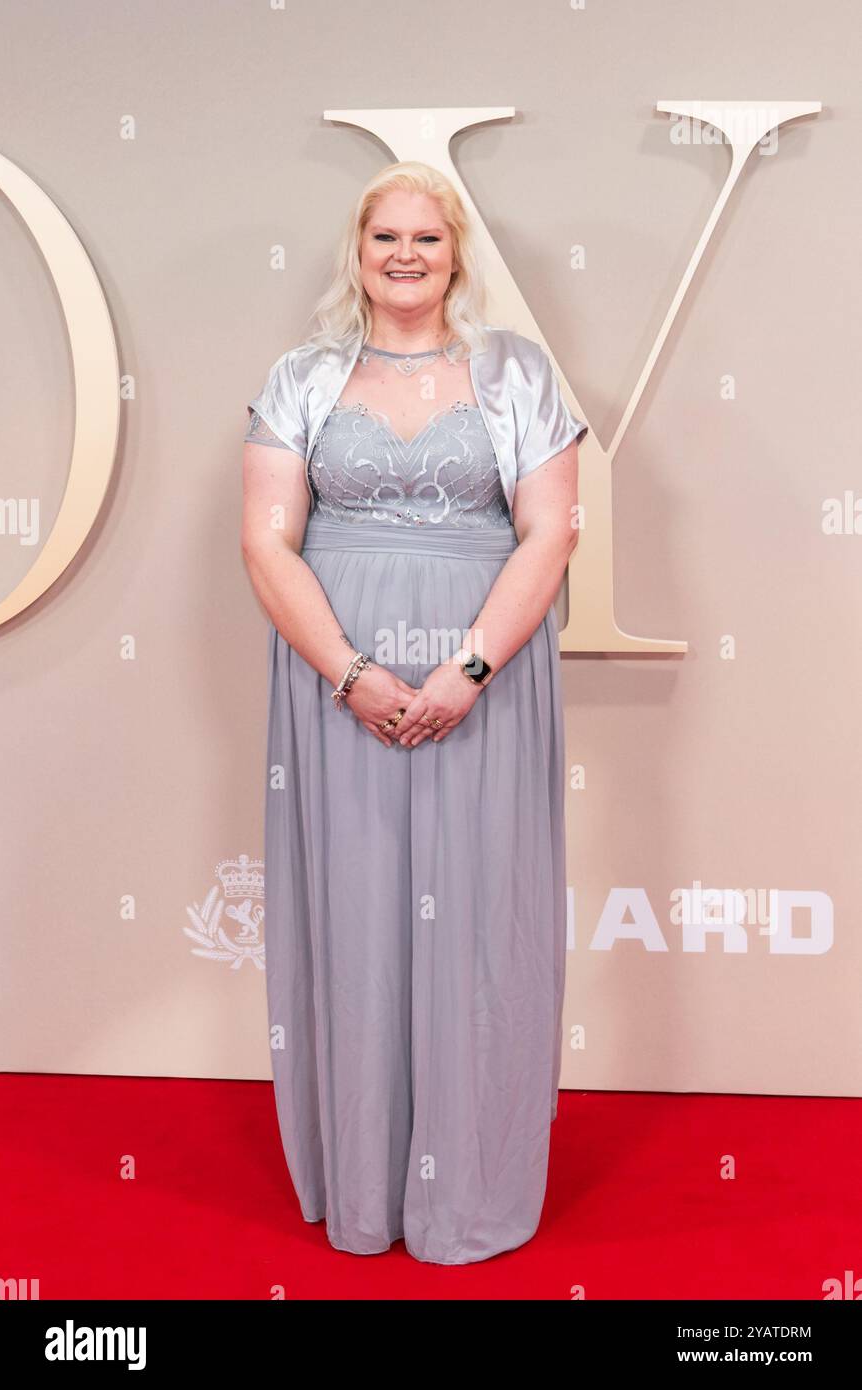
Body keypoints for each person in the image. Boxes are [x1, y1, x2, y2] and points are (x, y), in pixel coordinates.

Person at [241, 160, 587, 1265]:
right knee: (356, 915)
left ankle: (467, 1187)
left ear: (455, 255)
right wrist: (349, 672)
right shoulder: (300, 378)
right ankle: (368, 1187)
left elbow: (549, 533)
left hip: (482, 684)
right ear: (359, 250)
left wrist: (466, 673)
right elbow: (264, 540)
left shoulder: (515, 373)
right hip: (334, 685)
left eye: (426, 239)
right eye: (385, 236)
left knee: (482, 919)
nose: (404, 255)